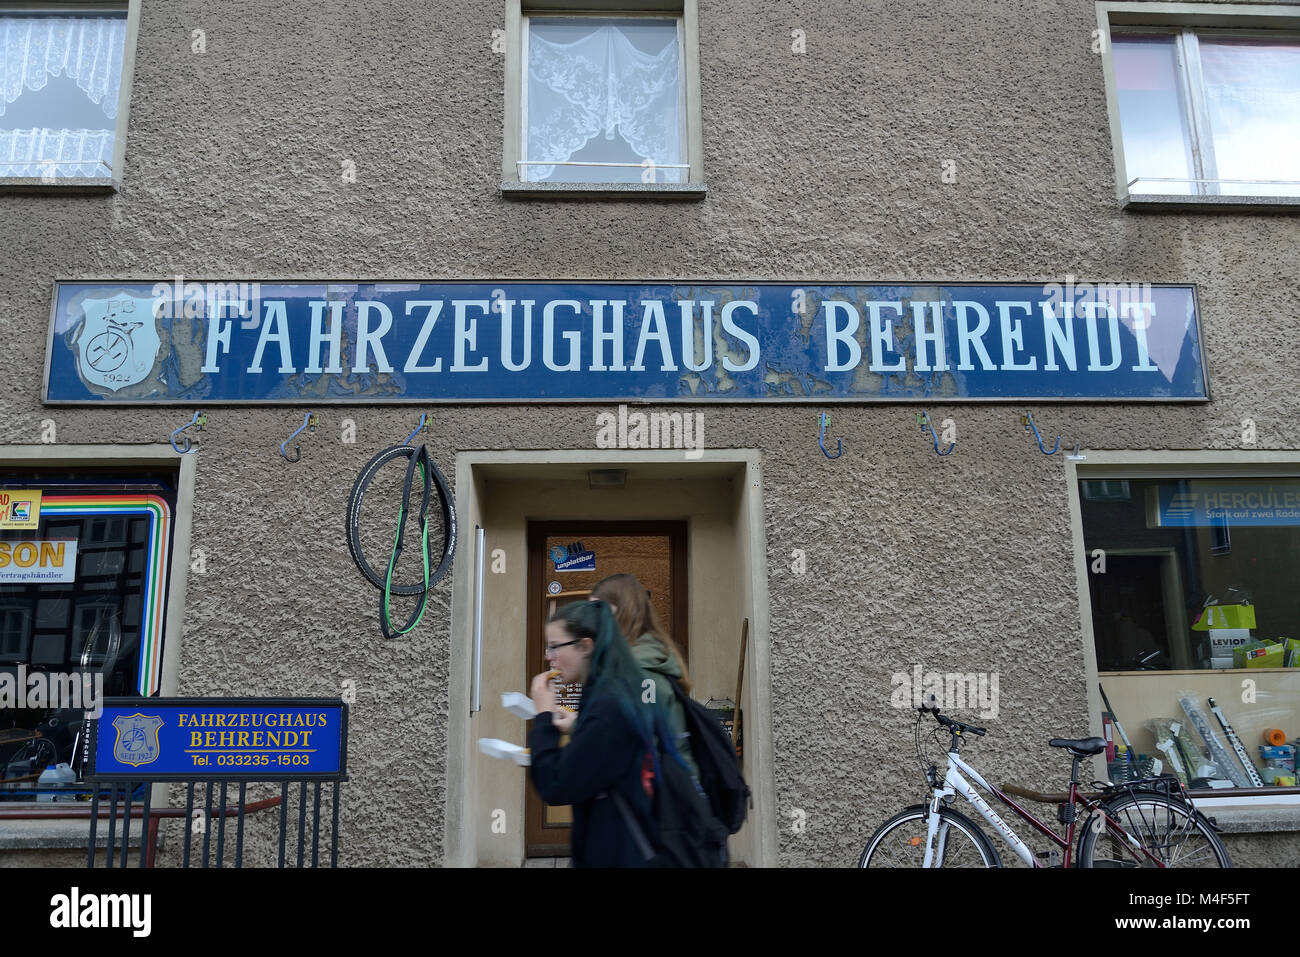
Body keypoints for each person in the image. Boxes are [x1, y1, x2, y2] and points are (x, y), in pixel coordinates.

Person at [528, 599, 659, 867]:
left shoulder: (607, 706)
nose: (548, 657)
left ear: (585, 646)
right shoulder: (611, 694)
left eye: (554, 646)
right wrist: (577, 724)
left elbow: (555, 784)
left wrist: (543, 716)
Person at [590, 574, 699, 778]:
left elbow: (641, 741)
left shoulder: (641, 670)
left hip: (660, 798)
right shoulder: (635, 662)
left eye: (598, 611)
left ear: (623, 612)